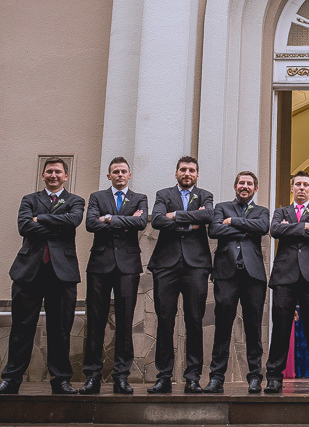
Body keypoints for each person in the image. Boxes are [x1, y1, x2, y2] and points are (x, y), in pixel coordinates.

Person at [0, 158, 85, 395]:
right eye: (49, 172)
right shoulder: (29, 200)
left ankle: (61, 380)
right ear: (43, 175)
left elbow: (73, 221)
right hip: (28, 271)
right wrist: (56, 225)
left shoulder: (76, 201)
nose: (54, 175)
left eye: (58, 172)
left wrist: (40, 219)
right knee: (22, 327)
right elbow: (24, 226)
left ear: (66, 176)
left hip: (62, 273)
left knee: (60, 329)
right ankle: (11, 380)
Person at [79, 157, 148, 395]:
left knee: (125, 321)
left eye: (123, 171)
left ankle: (121, 376)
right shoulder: (97, 197)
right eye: (115, 172)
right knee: (95, 321)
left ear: (129, 175)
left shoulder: (140, 198)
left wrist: (107, 218)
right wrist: (123, 222)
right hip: (99, 264)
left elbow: (140, 222)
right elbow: (90, 224)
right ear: (109, 176)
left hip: (128, 265)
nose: (119, 174)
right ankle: (92, 376)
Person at [147, 156, 214, 394]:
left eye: (192, 170)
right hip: (166, 264)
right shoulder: (163, 194)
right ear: (176, 173)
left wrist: (174, 216)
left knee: (194, 320)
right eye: (183, 169)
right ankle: (163, 376)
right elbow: (156, 220)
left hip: (196, 265)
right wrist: (190, 221)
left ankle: (193, 377)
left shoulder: (205, 195)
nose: (187, 173)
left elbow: (208, 217)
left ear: (197, 174)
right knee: (165, 320)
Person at [204, 171, 270, 394]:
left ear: (255, 189)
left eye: (249, 184)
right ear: (235, 186)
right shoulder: (221, 207)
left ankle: (254, 377)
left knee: (253, 328)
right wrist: (245, 226)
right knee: (223, 327)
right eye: (241, 183)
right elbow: (214, 230)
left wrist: (232, 222)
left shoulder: (262, 211)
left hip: (253, 277)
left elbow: (261, 228)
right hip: (226, 274)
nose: (245, 186)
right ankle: (216, 377)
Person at [264, 171, 309, 394]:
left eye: (305, 185)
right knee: (281, 327)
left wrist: (291, 228)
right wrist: (304, 227)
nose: (301, 188)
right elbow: (275, 230)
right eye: (298, 184)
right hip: (285, 275)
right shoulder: (281, 211)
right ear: (292, 188)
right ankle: (274, 376)